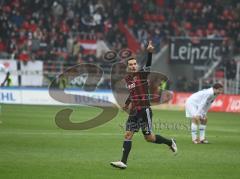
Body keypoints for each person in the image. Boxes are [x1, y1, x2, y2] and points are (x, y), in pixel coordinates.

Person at [110, 41, 177, 169]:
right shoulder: (128, 79)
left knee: (150, 138)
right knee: (128, 134)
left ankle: (170, 142)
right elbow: (132, 92)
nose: (134, 66)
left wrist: (150, 53)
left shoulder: (142, 74)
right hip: (134, 111)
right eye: (131, 64)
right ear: (128, 67)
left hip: (144, 110)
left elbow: (148, 65)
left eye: (135, 64)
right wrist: (127, 104)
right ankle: (123, 162)